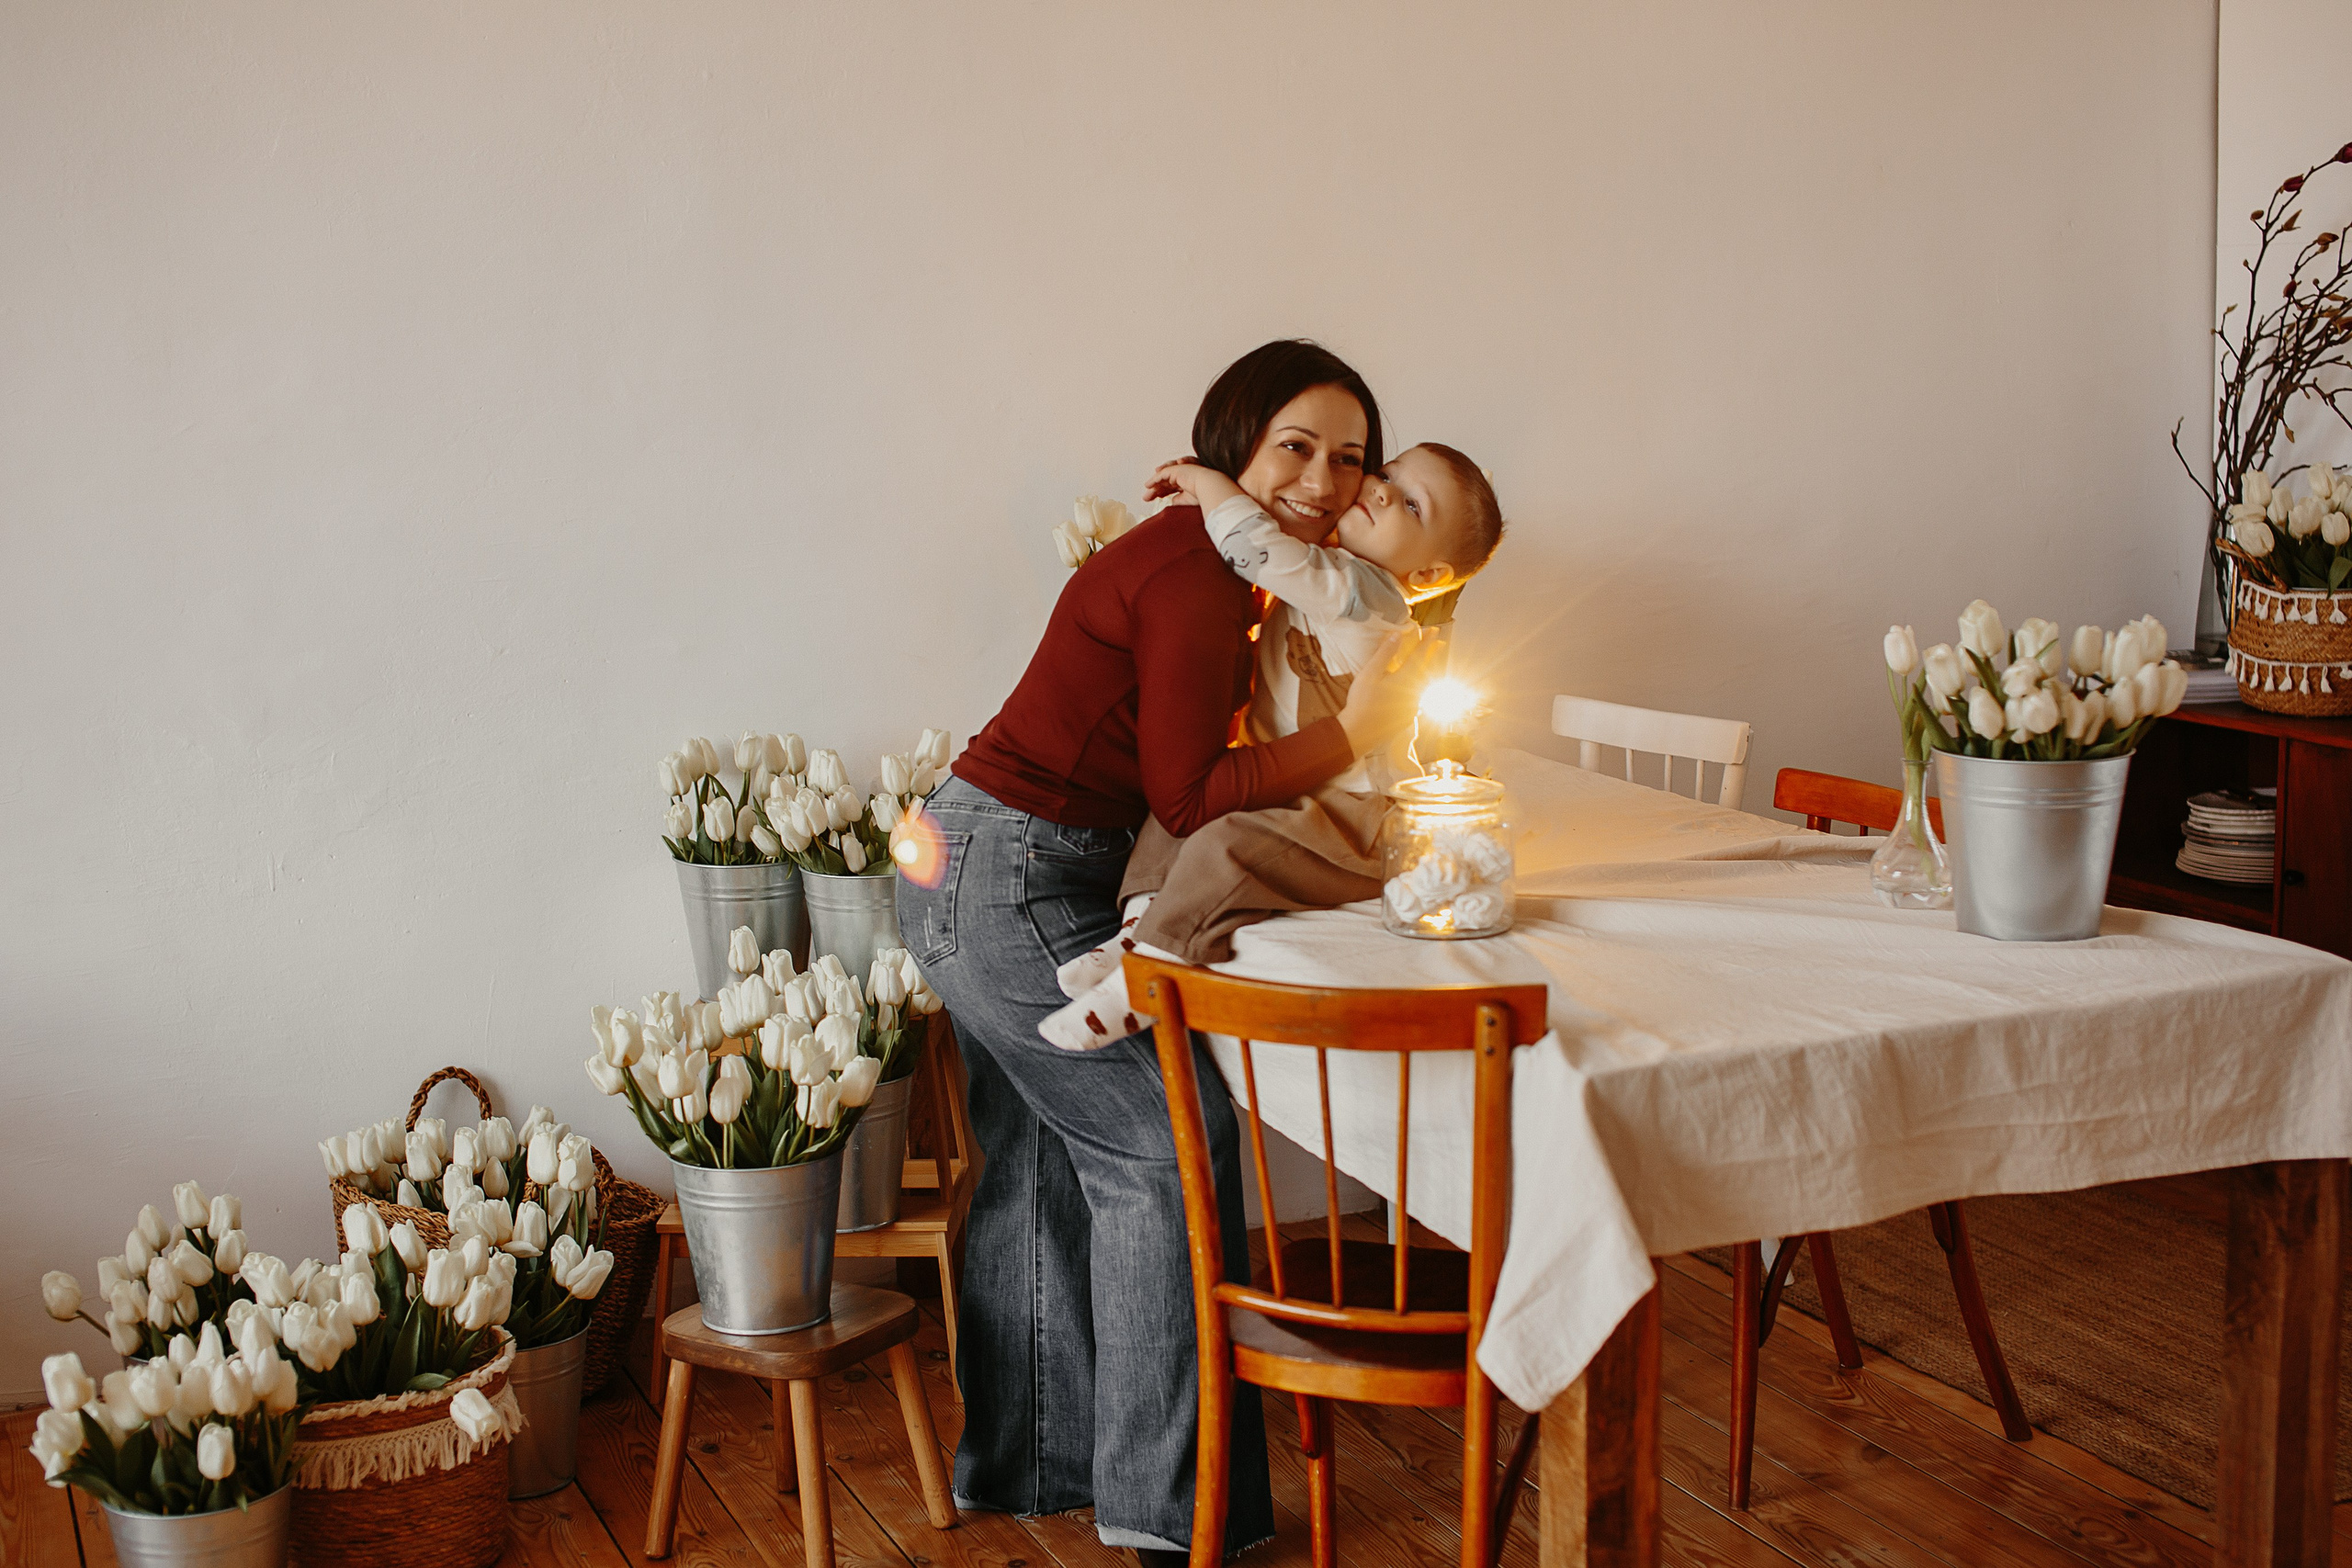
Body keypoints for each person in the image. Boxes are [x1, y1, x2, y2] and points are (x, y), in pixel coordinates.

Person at [898, 341, 1435, 1563]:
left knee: (1041, 1155)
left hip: (995, 860)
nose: (1322, 476)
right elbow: (1191, 796)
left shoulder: (1241, 563)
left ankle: (1037, 1461)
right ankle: (1172, 1519)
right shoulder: (1195, 572)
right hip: (1011, 877)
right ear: (1238, 439)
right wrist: (1354, 741)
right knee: (1168, 1149)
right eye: (1295, 444)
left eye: (1350, 457)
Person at [1040, 444, 1506, 1050]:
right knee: (1186, 803)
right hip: (1299, 786)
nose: (1382, 489)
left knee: (1229, 846)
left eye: (1412, 505)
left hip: (1362, 818)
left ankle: (1153, 975)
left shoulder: (1365, 597)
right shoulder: (1333, 569)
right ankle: (1137, 930)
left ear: (1427, 577)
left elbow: (1254, 548)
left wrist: (1208, 484)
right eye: (1389, 475)